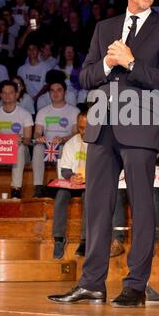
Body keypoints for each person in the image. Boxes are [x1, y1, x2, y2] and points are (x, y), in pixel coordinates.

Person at [48, 0, 159, 307]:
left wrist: (132, 63)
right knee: (95, 208)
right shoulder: (104, 27)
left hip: (139, 126)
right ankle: (92, 282)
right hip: (101, 125)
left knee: (142, 207)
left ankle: (135, 285)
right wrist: (109, 63)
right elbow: (86, 77)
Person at [32, 80, 80, 197]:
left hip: (65, 146)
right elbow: (37, 132)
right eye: (52, 90)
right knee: (37, 148)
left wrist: (63, 139)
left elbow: (76, 134)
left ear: (65, 92)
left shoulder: (74, 111)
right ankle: (38, 187)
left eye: (59, 90)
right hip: (47, 147)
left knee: (65, 147)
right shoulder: (43, 111)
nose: (55, 93)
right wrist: (40, 138)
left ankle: (63, 186)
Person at [52, 110, 88, 259]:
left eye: (87, 128)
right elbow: (65, 169)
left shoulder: (101, 144)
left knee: (88, 197)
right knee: (61, 196)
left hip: (91, 183)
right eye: (80, 127)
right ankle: (59, 239)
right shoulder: (71, 143)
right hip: (73, 182)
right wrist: (72, 176)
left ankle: (85, 239)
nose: (83, 131)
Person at [0, 80, 33, 199]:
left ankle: (16, 190)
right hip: (1, 154)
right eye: (4, 92)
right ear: (0, 94)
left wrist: (21, 139)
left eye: (10, 92)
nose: (7, 95)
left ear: (17, 94)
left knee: (19, 147)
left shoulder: (25, 114)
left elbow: (28, 140)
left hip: (21, 154)